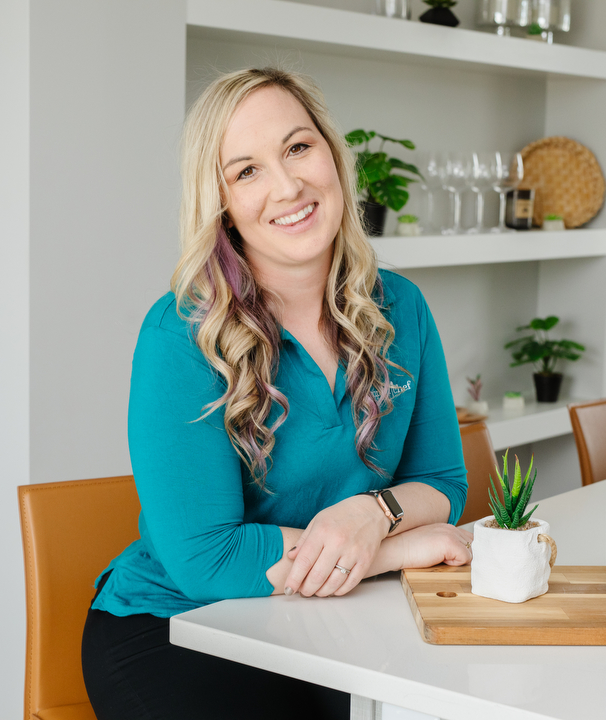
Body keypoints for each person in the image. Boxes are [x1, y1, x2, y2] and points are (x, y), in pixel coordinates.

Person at [81, 67, 474, 720]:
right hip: (179, 626)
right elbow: (207, 560)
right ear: (222, 205)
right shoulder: (182, 334)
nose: (288, 186)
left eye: (297, 147)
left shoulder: (401, 307)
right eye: (246, 171)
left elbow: (441, 481)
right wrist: (395, 547)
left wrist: (369, 514)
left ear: (331, 153)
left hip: (325, 616)